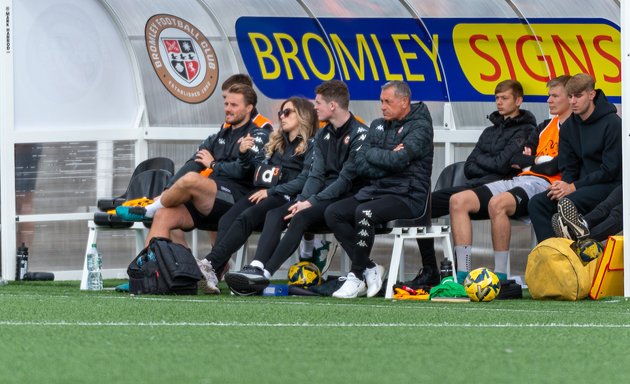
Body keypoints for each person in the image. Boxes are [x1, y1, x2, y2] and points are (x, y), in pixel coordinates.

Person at [224, 80, 367, 295]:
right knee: (281, 213)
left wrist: (309, 201)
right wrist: (302, 199)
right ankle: (260, 270)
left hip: (348, 197)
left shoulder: (360, 132)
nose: (315, 107)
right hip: (324, 196)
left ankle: (366, 268)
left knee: (309, 213)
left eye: (318, 103)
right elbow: (316, 176)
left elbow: (344, 180)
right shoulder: (322, 135)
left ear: (333, 106)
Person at [406, 79, 535, 288]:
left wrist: (485, 164)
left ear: (518, 100)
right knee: (422, 205)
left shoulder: (527, 130)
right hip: (473, 187)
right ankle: (431, 269)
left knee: (458, 201)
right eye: (496, 98)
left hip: (500, 188)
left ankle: (465, 272)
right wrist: (490, 164)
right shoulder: (489, 131)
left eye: (504, 98)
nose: (499, 103)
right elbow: (469, 166)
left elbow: (503, 167)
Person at [448, 76, 570, 281]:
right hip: (521, 179)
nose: (549, 100)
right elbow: (515, 159)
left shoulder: (575, 128)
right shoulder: (544, 126)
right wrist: (538, 160)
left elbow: (558, 165)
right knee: (457, 201)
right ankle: (463, 274)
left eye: (554, 96)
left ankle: (501, 276)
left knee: (497, 204)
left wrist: (531, 160)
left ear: (570, 98)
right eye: (549, 95)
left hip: (545, 184)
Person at [116, 84, 271, 246]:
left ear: (248, 108)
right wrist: (168, 190)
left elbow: (241, 171)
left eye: (234, 105)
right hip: (210, 197)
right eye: (226, 104)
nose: (228, 109)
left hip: (237, 198)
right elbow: (194, 162)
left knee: (192, 180)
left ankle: (149, 209)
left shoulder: (258, 134)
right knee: (163, 215)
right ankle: (154, 268)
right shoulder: (219, 136)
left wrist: (213, 164)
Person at [196, 97, 317, 294]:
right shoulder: (277, 141)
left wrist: (272, 190)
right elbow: (258, 168)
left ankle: (210, 262)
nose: (282, 117)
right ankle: (213, 272)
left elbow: (305, 180)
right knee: (227, 219)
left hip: (285, 197)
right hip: (263, 193)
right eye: (281, 113)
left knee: (247, 216)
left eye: (288, 112)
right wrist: (244, 153)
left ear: (303, 116)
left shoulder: (311, 145)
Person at [325, 80, 433, 298]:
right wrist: (388, 159)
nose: (382, 106)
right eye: (381, 101)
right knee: (333, 212)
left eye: (388, 101)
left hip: (408, 195)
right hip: (378, 190)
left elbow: (399, 159)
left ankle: (356, 277)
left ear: (404, 102)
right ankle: (369, 267)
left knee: (364, 213)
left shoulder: (420, 126)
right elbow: (360, 162)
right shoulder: (377, 125)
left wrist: (379, 157)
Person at [528, 73, 622, 242]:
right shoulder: (569, 126)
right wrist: (565, 185)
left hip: (608, 186)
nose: (572, 102)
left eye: (578, 96)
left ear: (591, 95)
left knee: (568, 202)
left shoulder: (612, 123)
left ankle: (569, 254)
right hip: (579, 186)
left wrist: (573, 187)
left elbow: (610, 170)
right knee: (537, 203)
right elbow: (569, 167)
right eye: (570, 96)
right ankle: (552, 256)